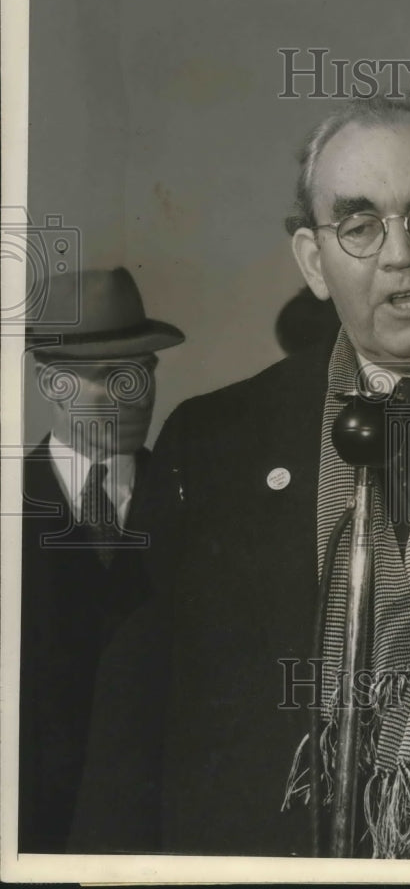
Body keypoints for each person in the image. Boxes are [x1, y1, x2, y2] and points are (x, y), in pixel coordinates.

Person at [71, 96, 410, 860]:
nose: (399, 255)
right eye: (360, 223)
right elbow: (129, 744)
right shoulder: (209, 444)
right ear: (313, 260)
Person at [20, 266, 184, 852]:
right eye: (109, 376)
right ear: (50, 385)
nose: (135, 396)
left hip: (157, 834)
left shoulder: (194, 502)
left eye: (144, 372)